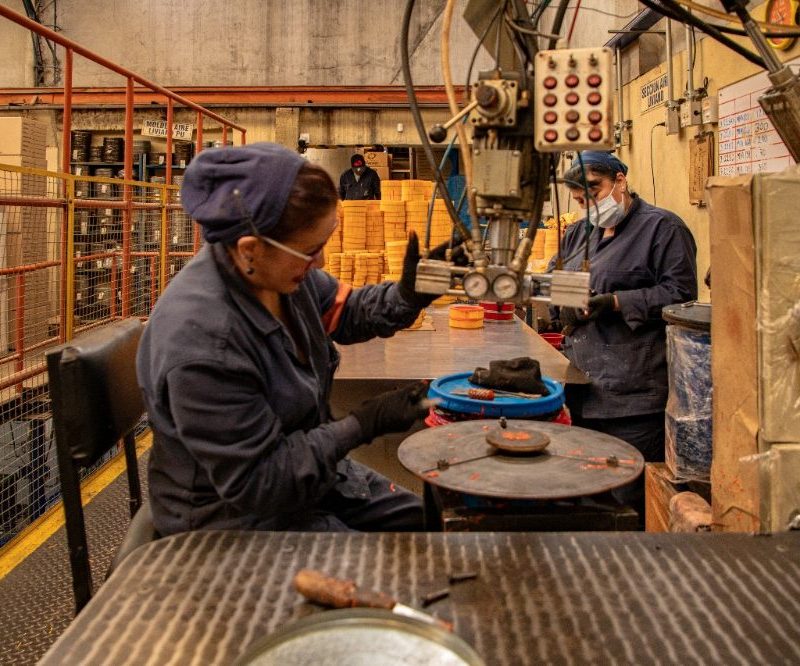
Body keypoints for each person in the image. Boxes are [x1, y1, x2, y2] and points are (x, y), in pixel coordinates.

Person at [136, 142, 438, 536]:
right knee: (386, 568)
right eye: (310, 251)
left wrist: (407, 295)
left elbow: (346, 311)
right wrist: (361, 424)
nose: (321, 263)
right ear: (250, 249)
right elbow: (261, 483)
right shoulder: (206, 343)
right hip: (236, 519)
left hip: (306, 475)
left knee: (433, 527)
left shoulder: (276, 275)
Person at [550, 151, 697, 503]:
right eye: (580, 199)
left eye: (595, 192)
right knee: (587, 494)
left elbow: (680, 295)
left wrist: (616, 302)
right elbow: (555, 280)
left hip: (633, 398)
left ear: (620, 180)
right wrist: (561, 305)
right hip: (583, 390)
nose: (589, 204)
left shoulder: (663, 229)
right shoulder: (577, 234)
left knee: (626, 498)